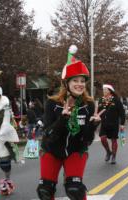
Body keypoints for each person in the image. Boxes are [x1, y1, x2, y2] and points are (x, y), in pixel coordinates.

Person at [37, 45, 99, 200]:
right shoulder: (53, 103)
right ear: (66, 84)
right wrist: (63, 119)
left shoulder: (88, 105)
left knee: (75, 189)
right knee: (45, 190)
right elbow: (49, 135)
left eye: (82, 81)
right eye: (75, 81)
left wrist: (93, 125)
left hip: (75, 150)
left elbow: (87, 140)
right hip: (52, 150)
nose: (80, 84)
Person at [98, 84, 125, 164]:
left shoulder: (116, 100)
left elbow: (122, 112)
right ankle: (108, 152)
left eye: (105, 90)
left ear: (110, 91)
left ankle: (113, 156)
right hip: (104, 123)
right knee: (102, 138)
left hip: (114, 124)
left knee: (113, 140)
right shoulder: (101, 100)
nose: (104, 91)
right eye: (103, 90)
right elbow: (98, 112)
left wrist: (122, 123)